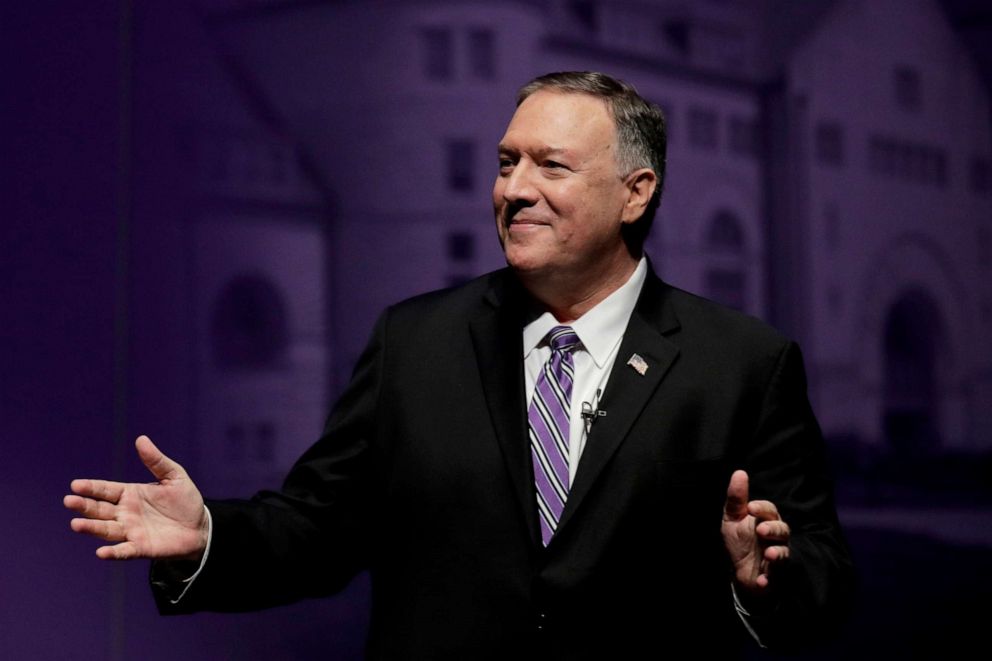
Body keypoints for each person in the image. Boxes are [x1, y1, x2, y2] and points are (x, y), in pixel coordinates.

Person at [66, 71, 854, 659]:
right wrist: (207, 535)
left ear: (635, 192)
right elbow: (317, 526)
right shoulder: (414, 343)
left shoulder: (745, 363)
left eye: (551, 166)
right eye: (506, 162)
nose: (514, 189)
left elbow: (822, 575)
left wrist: (763, 576)